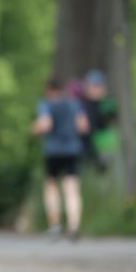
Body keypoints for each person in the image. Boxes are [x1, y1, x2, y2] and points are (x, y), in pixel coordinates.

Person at [32, 77, 89, 240]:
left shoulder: (46, 104)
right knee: (72, 188)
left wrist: (35, 129)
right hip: (72, 150)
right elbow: (83, 126)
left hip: (54, 151)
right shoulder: (74, 104)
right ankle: (74, 225)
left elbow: (46, 124)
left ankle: (55, 225)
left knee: (51, 186)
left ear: (48, 90)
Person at [80, 69, 118, 173]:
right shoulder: (82, 104)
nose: (96, 90)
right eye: (93, 86)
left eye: (98, 86)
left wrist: (102, 101)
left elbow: (110, 119)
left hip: (104, 145)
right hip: (87, 146)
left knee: (106, 174)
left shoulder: (107, 103)